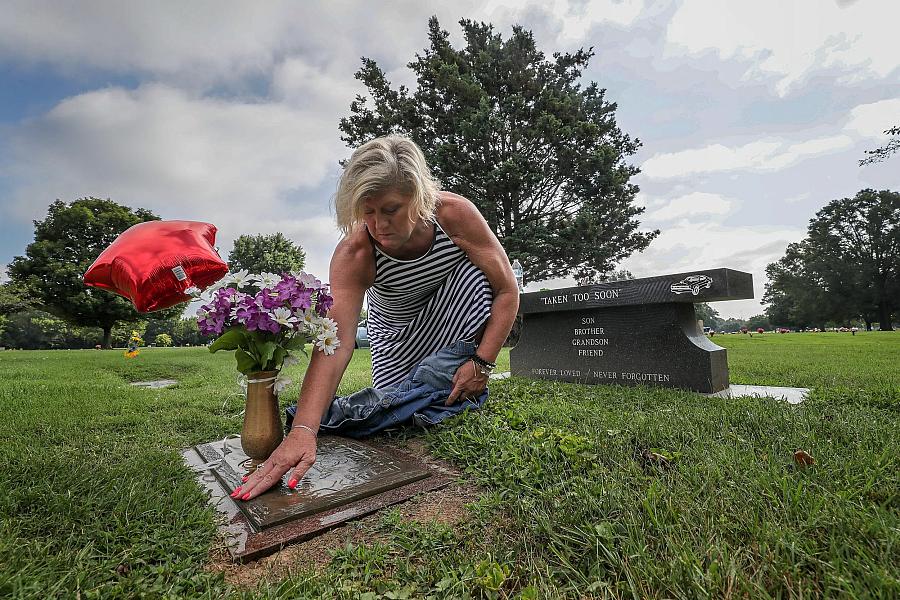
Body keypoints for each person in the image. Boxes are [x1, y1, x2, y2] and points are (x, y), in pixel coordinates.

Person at [233, 135, 519, 501]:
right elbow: (335, 343)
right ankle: (426, 387)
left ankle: (440, 380)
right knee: (404, 406)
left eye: (391, 209)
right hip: (397, 336)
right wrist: (303, 429)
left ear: (419, 197)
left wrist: (482, 363)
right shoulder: (356, 252)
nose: (378, 224)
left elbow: (508, 292)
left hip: (454, 315)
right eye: (367, 212)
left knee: (476, 277)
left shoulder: (455, 216)